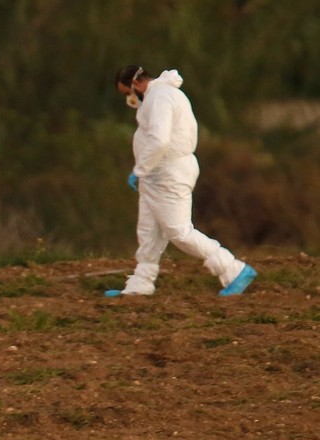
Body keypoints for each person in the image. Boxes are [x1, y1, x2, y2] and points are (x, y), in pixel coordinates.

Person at [106, 65, 257, 297]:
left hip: (169, 174)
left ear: (136, 84)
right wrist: (144, 171)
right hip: (155, 175)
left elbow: (160, 139)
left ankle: (233, 269)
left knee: (179, 231)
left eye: (127, 92)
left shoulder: (161, 97)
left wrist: (140, 168)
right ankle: (140, 284)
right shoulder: (158, 97)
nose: (129, 99)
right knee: (149, 230)